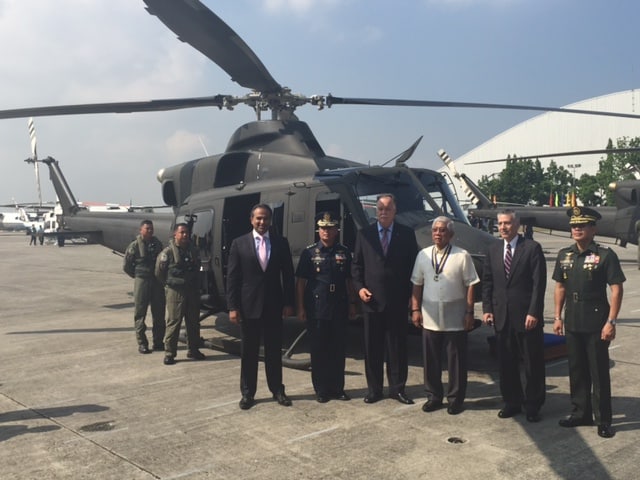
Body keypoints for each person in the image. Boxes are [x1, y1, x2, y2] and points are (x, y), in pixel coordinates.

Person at [552, 206, 625, 439]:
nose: (576, 229)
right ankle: (580, 413)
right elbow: (560, 287)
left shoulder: (606, 256)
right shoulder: (565, 255)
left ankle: (603, 419)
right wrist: (557, 316)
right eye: (574, 225)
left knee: (598, 372)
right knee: (577, 370)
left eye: (582, 225)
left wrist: (611, 321)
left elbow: (616, 289)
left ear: (593, 228)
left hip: (596, 322)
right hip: (573, 320)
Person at [352, 193, 419, 404]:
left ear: (394, 211)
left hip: (398, 301)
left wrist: (411, 296)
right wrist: (360, 289)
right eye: (380, 208)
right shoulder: (365, 234)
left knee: (397, 348)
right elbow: (356, 266)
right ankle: (374, 390)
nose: (383, 212)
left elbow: (413, 268)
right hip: (371, 301)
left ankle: (397, 389)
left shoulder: (407, 234)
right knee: (372, 348)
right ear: (376, 210)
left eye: (388, 208)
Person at [226, 204, 295, 410]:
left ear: (270, 220)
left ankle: (277, 390)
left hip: (274, 305)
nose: (262, 222)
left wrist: (289, 303)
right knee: (249, 352)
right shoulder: (239, 244)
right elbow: (233, 278)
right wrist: (232, 306)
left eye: (265, 219)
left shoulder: (281, 243)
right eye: (258, 219)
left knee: (274, 351)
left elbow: (288, 276)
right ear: (251, 220)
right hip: (249, 307)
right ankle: (248, 393)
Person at [482, 209, 547, 423]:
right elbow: (488, 282)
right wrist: (487, 309)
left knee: (532, 364)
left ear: (516, 224)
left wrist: (534, 312)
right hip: (502, 316)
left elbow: (539, 284)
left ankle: (533, 405)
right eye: (500, 223)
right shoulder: (492, 249)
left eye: (507, 223)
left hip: (527, 317)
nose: (503, 227)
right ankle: (512, 402)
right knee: (506, 363)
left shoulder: (531, 248)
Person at [410, 216, 479, 415]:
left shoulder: (462, 255)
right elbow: (417, 284)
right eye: (435, 230)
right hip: (430, 317)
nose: (438, 234)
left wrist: (469, 312)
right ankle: (433, 396)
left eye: (442, 230)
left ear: (451, 234)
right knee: (430, 360)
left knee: (456, 362)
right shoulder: (423, 255)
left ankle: (455, 399)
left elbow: (471, 284)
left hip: (455, 317)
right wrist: (415, 309)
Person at [295, 212, 357, 403]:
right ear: (318, 230)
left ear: (336, 230)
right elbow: (300, 282)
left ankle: (337, 388)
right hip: (317, 307)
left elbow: (349, 280)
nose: (326, 232)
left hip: (339, 305)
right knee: (319, 349)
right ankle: (321, 390)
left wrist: (353, 305)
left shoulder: (344, 252)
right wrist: (300, 307)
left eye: (330, 228)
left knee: (338, 349)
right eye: (323, 228)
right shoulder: (309, 253)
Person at [155, 223, 205, 365]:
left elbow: (197, 269)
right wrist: (169, 284)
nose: (185, 235)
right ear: (175, 234)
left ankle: (193, 349)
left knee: (193, 322)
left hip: (191, 291)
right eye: (182, 232)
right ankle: (170, 353)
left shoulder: (193, 251)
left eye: (186, 233)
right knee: (174, 322)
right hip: (175, 291)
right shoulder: (168, 253)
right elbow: (159, 273)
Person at [123, 219, 165, 354]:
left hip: (156, 282)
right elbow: (127, 266)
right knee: (140, 313)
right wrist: (138, 276)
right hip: (142, 281)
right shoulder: (134, 246)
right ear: (141, 230)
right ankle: (142, 343)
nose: (150, 231)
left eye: (151, 229)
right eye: (147, 229)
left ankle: (158, 342)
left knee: (159, 313)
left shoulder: (157, 244)